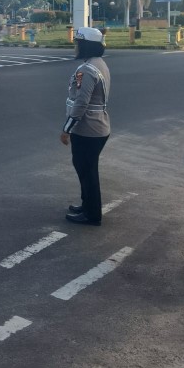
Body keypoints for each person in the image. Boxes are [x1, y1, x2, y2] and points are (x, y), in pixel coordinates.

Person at [60, 27, 111, 227]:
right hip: (97, 126)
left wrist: (67, 129)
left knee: (87, 171)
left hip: (88, 129)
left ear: (86, 45)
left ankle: (92, 214)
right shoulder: (99, 64)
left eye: (78, 43)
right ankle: (87, 205)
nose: (76, 47)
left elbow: (81, 102)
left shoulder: (87, 70)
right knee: (85, 169)